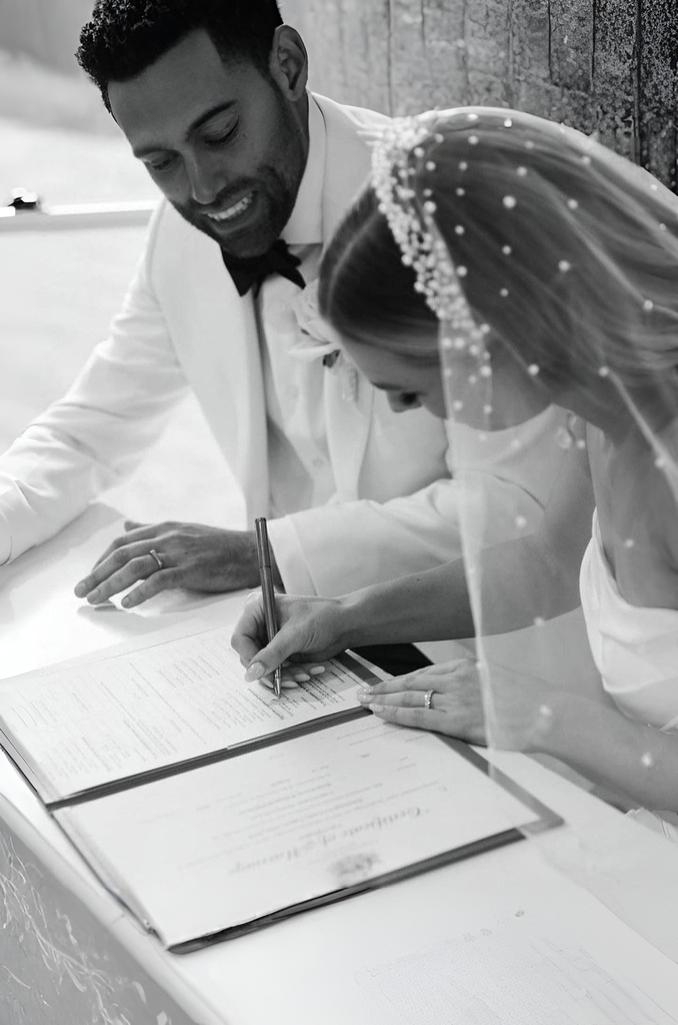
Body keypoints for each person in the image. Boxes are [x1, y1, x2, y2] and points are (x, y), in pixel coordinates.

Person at [0, 0, 567, 620]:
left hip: (470, 641)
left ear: (289, 66)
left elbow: (517, 506)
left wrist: (267, 554)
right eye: (161, 163)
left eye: (220, 134)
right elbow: (91, 427)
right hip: (288, 642)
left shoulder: (443, 214)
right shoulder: (180, 237)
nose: (202, 188)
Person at [233, 108, 678, 825]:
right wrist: (346, 617)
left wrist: (539, 714)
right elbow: (545, 563)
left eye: (410, 390)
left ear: (487, 330)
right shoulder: (597, 406)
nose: (409, 412)